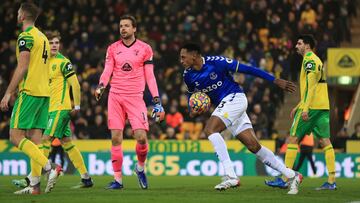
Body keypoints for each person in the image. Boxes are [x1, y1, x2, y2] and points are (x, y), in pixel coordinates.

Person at [180, 43, 302, 195]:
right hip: (227, 106)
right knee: (253, 146)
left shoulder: (217, 62)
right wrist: (195, 109)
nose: (181, 60)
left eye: (183, 57)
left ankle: (230, 176)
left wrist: (274, 80)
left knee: (210, 129)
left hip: (235, 98)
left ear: (194, 55)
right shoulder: (188, 75)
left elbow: (249, 69)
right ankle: (292, 175)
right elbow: (195, 96)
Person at [12, 30, 94, 190]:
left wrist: (76, 106)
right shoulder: (41, 63)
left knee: (43, 141)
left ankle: (32, 180)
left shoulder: (63, 62)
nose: (54, 45)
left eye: (56, 42)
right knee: (67, 143)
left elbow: (75, 84)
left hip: (59, 109)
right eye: (51, 43)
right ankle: (86, 178)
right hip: (48, 109)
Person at [95, 15, 165, 190]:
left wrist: (156, 100)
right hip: (115, 96)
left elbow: (150, 75)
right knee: (116, 138)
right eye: (121, 26)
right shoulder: (112, 48)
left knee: (141, 137)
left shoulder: (145, 48)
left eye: (126, 26)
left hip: (135, 97)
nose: (123, 29)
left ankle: (140, 168)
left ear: (134, 29)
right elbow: (107, 69)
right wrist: (101, 86)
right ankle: (118, 180)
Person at [0, 2, 61, 195]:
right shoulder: (43, 37)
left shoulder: (25, 37)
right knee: (35, 141)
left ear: (22, 16)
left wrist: (8, 92)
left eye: (18, 12)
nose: (17, 14)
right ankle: (34, 186)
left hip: (30, 92)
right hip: (44, 93)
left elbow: (23, 66)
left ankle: (50, 167)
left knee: (16, 137)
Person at [265, 34, 336, 190]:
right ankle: (331, 181)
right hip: (323, 106)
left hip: (311, 108)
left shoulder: (310, 60)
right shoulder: (316, 60)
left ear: (307, 46)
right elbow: (315, 87)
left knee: (292, 139)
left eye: (299, 43)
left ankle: (285, 178)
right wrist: (299, 104)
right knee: (325, 142)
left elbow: (310, 88)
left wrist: (304, 108)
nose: (296, 46)